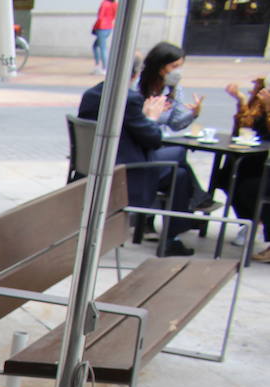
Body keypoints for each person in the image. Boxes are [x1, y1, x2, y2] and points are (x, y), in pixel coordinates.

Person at [80, 59, 200, 256]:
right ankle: (174, 234)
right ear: (135, 75)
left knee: (179, 172)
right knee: (179, 168)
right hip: (124, 171)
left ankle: (192, 206)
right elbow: (153, 139)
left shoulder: (91, 94)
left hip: (95, 164)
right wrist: (151, 117)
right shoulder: (129, 98)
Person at [135, 42, 214, 211]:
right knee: (179, 154)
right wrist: (151, 115)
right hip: (141, 147)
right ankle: (199, 198)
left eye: (180, 66)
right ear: (160, 66)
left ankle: (171, 230)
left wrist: (194, 113)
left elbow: (176, 124)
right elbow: (134, 124)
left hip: (159, 144)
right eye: (174, 66)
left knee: (180, 174)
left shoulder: (174, 89)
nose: (178, 71)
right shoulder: (138, 88)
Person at [219, 76, 270, 261]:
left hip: (265, 164)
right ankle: (249, 223)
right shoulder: (261, 97)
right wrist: (241, 100)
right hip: (258, 157)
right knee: (226, 175)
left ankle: (256, 224)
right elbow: (243, 128)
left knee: (253, 188)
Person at [91, 0, 116, 75]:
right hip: (109, 27)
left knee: (102, 48)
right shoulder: (114, 4)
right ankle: (99, 66)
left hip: (102, 27)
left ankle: (104, 67)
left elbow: (100, 16)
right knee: (96, 46)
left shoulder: (104, 3)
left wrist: (95, 27)